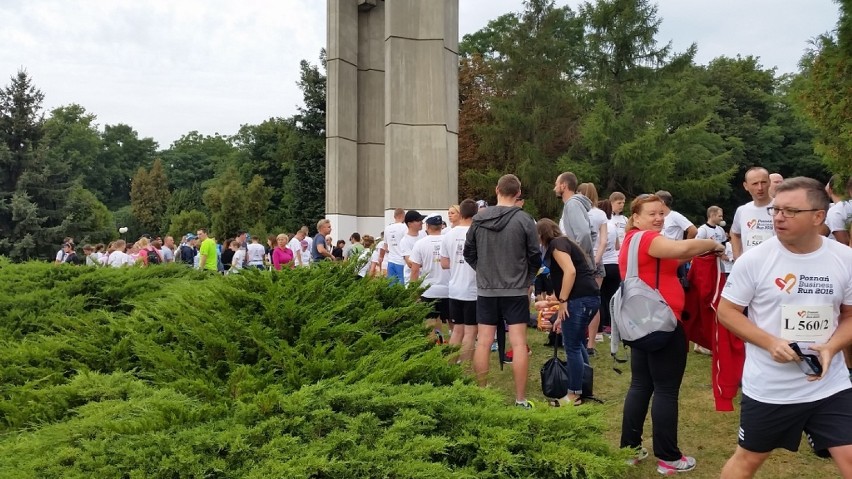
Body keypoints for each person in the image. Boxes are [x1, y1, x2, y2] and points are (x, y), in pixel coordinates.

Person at [718, 177, 852, 478]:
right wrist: (770, 342)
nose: (779, 217)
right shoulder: (754, 260)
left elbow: (850, 315)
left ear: (818, 216)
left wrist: (832, 346)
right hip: (771, 388)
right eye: (776, 210)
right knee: (747, 461)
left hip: (830, 384)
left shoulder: (845, 259)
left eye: (791, 211)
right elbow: (727, 312)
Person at [618, 194, 725, 474]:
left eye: (662, 214)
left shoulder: (632, 240)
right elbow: (684, 246)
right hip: (664, 323)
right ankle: (668, 457)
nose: (658, 218)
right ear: (636, 217)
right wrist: (713, 242)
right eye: (652, 213)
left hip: (640, 322)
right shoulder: (648, 239)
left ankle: (629, 448)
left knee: (640, 385)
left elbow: (675, 257)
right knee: (665, 389)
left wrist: (699, 253)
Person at [464, 174, 541, 409]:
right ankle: (519, 399)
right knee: (518, 344)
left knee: (483, 342)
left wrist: (483, 271)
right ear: (518, 193)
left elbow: (469, 253)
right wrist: (527, 279)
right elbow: (535, 256)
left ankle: (481, 395)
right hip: (515, 290)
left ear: (497, 189)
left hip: (488, 290)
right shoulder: (525, 220)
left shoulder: (478, 219)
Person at [535, 218, 600, 406]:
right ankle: (583, 386)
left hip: (579, 300)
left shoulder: (556, 244)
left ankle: (573, 394)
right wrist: (557, 304)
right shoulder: (565, 242)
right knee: (578, 342)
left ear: (541, 234)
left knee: (571, 345)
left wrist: (562, 302)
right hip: (588, 298)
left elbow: (570, 272)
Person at [442, 200, 479, 362]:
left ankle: (450, 366)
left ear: (461, 213)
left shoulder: (448, 234)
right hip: (473, 290)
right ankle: (464, 367)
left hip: (455, 288)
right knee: (470, 332)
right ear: (476, 214)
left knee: (457, 330)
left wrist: (458, 264)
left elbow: (444, 263)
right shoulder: (477, 233)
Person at [577, 182, 608, 351]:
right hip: (597, 259)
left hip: (579, 260)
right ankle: (591, 343)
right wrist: (596, 259)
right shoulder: (601, 214)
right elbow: (603, 240)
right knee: (595, 302)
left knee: (577, 301)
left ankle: (579, 338)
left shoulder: (575, 211)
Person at [410, 216, 450, 326]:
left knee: (429, 325)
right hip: (448, 289)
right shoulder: (448, 240)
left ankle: (432, 343)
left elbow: (414, 270)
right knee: (454, 326)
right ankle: (453, 343)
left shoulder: (420, 243)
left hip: (428, 290)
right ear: (441, 226)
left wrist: (413, 291)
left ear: (427, 226)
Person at [731, 167, 774, 260]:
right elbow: (734, 233)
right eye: (755, 184)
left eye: (763, 182)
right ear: (746, 186)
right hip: (749, 267)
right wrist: (737, 256)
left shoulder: (781, 208)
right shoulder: (742, 211)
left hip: (774, 265)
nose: (760, 188)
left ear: (769, 182)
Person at [554, 172, 594, 268]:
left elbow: (584, 234)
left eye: (556, 185)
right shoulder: (571, 205)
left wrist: (576, 258)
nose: (554, 188)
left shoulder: (573, 205)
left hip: (578, 267)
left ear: (563, 186)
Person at [380, 208, 407, 284]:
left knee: (391, 286)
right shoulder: (405, 227)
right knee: (403, 285)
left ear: (394, 216)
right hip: (402, 261)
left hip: (391, 261)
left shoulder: (387, 228)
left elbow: (385, 247)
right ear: (403, 216)